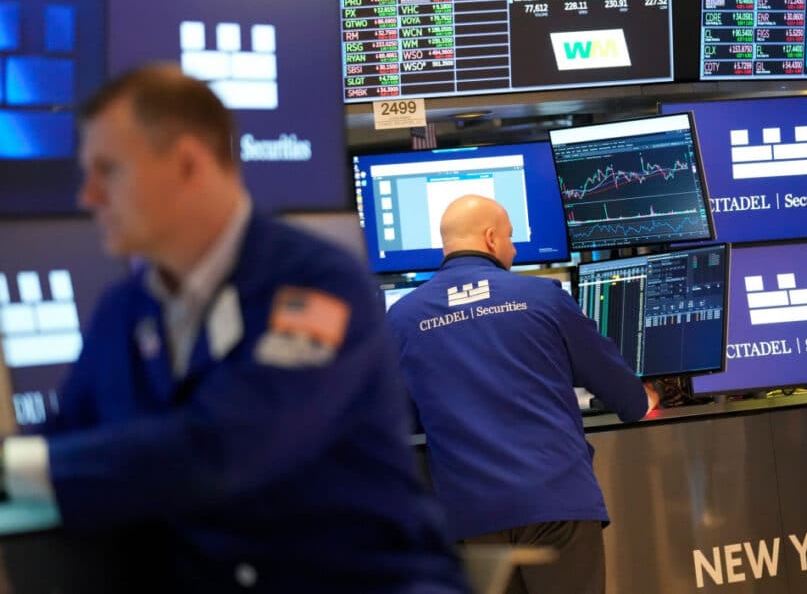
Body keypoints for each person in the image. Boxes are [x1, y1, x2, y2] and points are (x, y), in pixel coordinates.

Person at [0, 65, 469, 594]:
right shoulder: (124, 311)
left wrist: (14, 468)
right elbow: (65, 437)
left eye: (106, 171)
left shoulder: (318, 285)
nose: (88, 197)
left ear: (186, 163)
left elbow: (228, 448)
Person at [386, 194, 658, 594]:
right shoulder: (544, 297)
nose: (514, 249)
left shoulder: (402, 318)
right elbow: (623, 395)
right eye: (511, 237)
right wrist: (644, 398)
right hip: (557, 501)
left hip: (470, 517)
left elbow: (400, 420)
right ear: (491, 238)